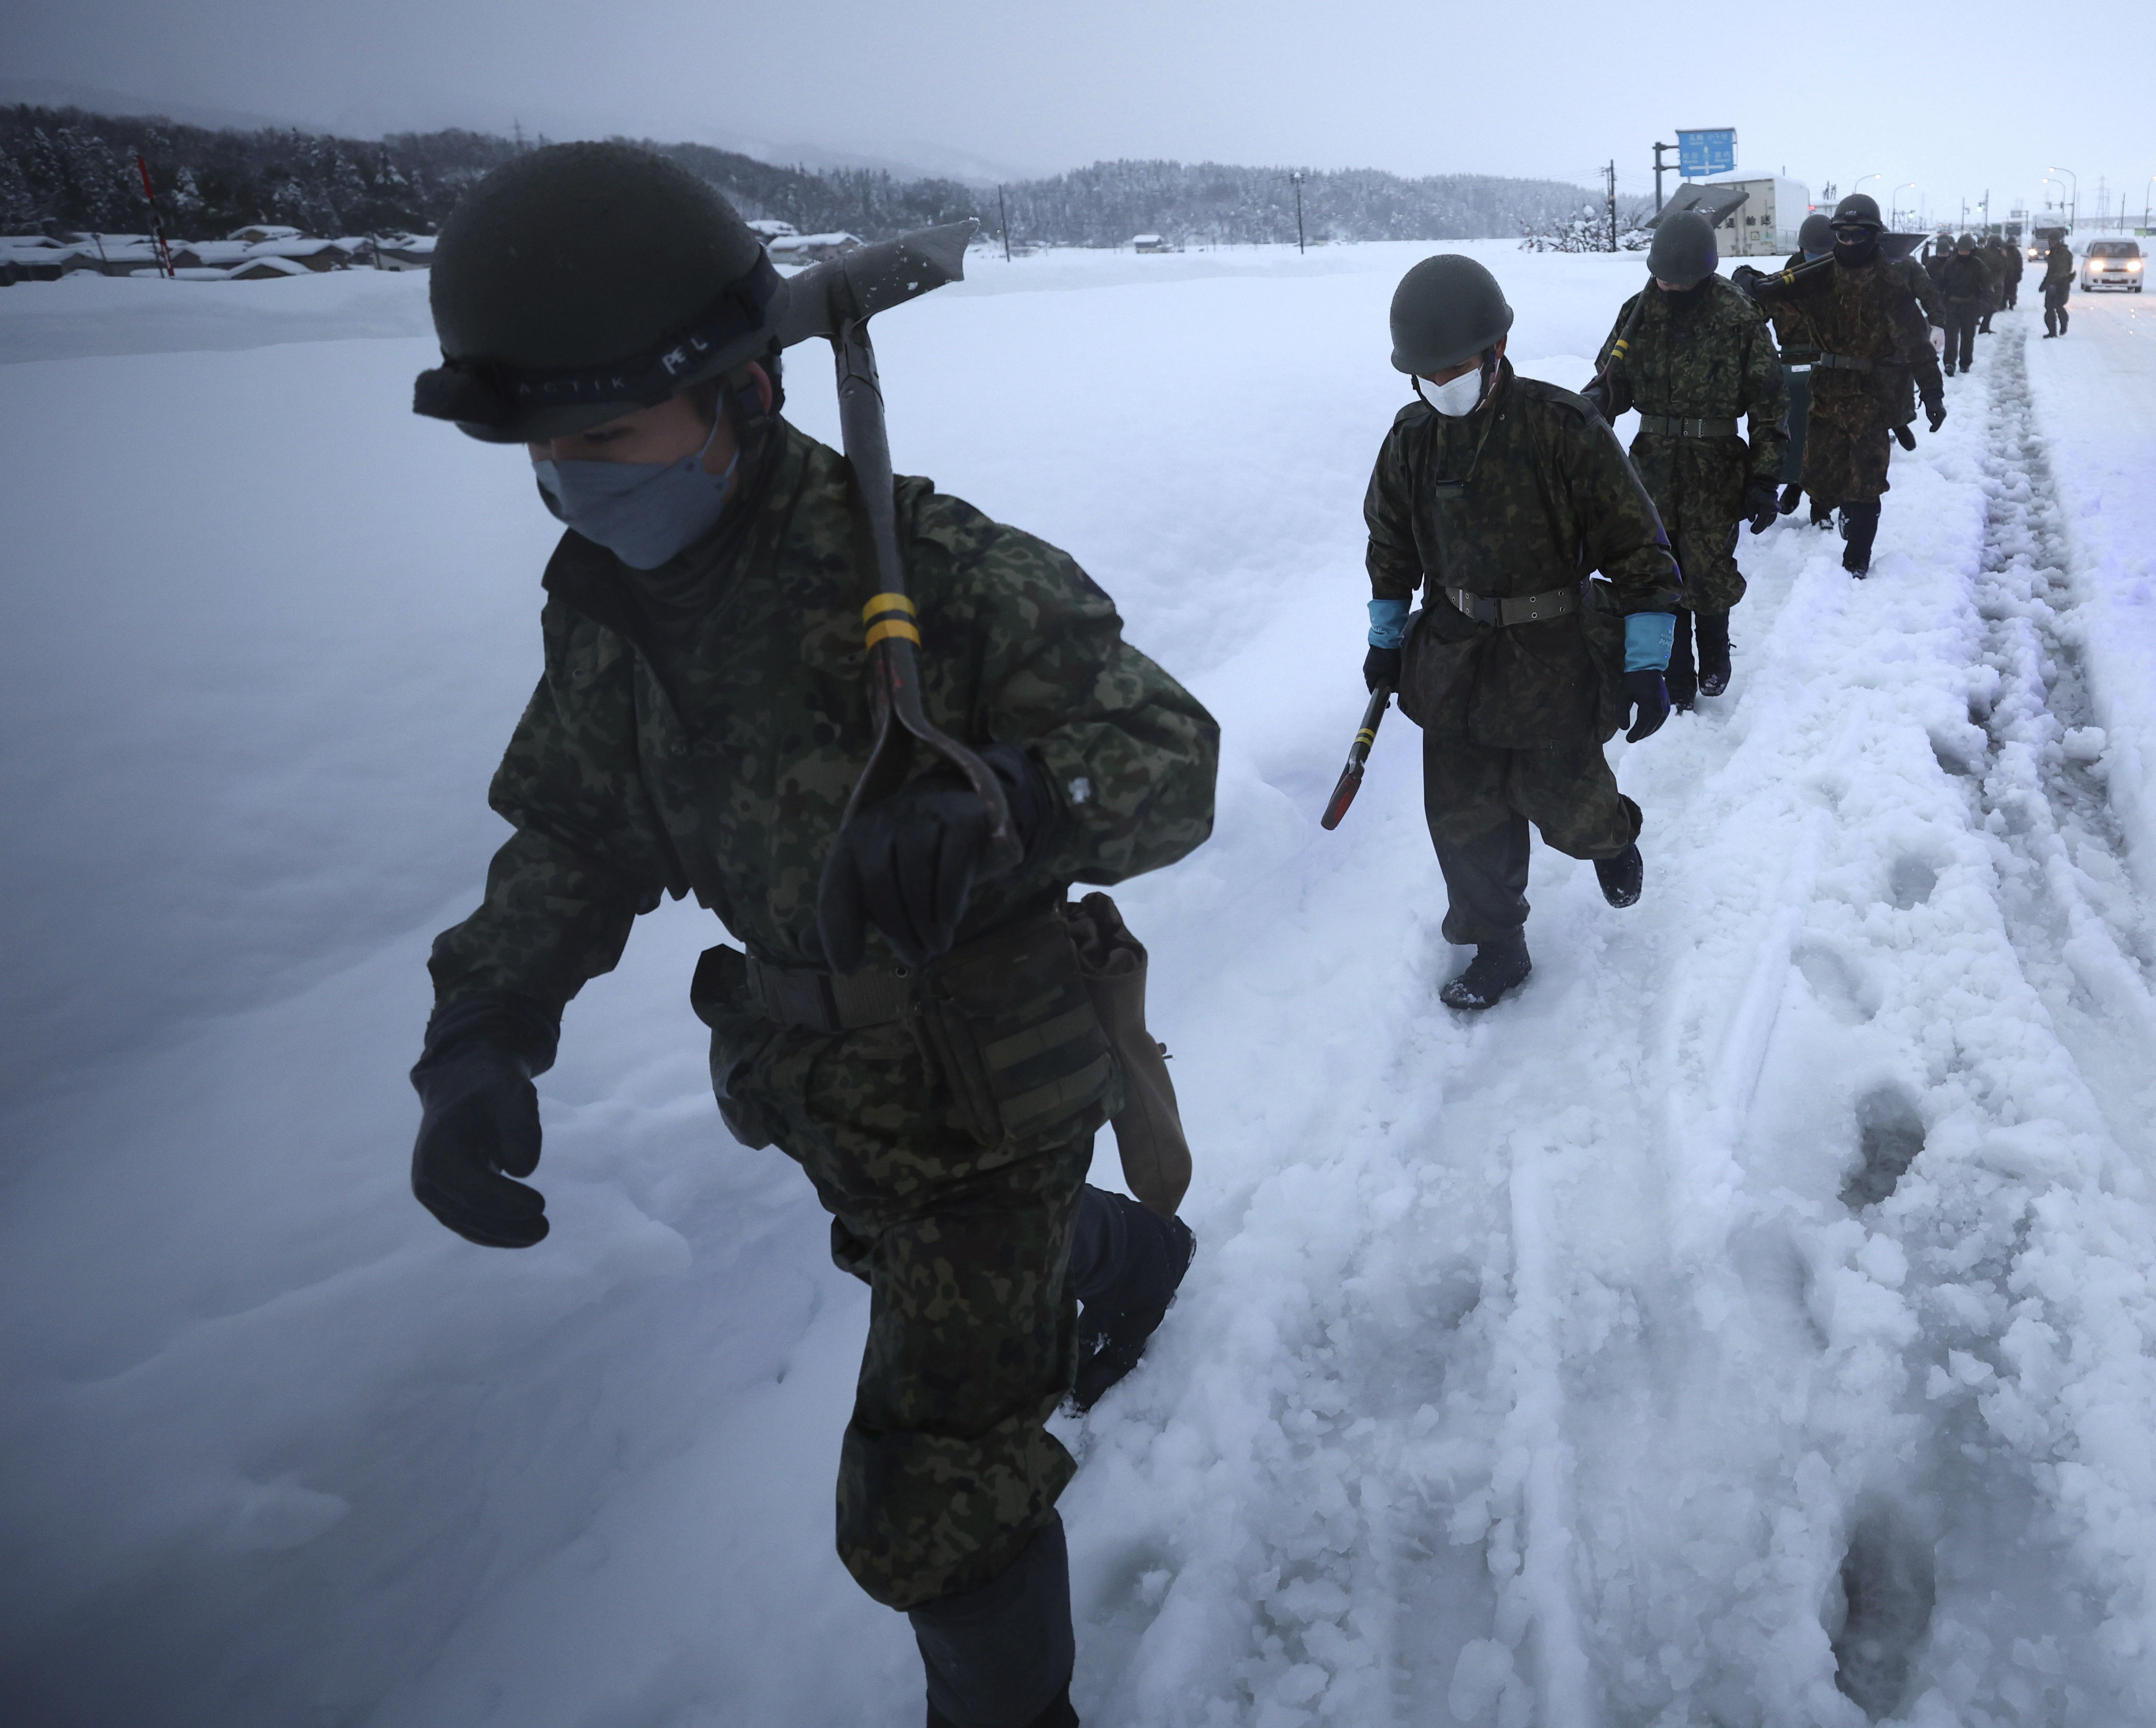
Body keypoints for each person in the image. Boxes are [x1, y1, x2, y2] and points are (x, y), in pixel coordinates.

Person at [402, 144, 1220, 1728]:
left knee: (926, 1497)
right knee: (918, 1263)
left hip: (993, 1088)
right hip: (823, 1091)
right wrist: (480, 1031)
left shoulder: (933, 573)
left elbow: (1171, 760)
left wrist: (1011, 803)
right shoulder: (618, 609)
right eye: (546, 448)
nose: (575, 475)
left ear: (743, 396)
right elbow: (576, 834)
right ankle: (1115, 1261)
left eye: (609, 434)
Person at [1363, 254, 1682, 1011]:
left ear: (1497, 351)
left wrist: (1647, 662)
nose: (1443, 384)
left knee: (1566, 803)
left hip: (1553, 657)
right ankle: (1499, 948)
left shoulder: (1563, 429)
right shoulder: (1411, 440)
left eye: (1457, 368)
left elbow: (1642, 552)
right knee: (1465, 821)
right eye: (1427, 373)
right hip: (1453, 658)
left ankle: (1612, 839)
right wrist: (1384, 641)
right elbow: (1390, 548)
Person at [1587, 211, 1786, 700]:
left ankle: (1715, 653)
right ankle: (1674, 672)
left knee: (1710, 566)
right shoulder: (1638, 311)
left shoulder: (1738, 316)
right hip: (1652, 464)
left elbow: (1769, 403)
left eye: (1680, 280)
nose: (1669, 287)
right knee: (1660, 568)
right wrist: (1596, 408)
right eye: (1662, 277)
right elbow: (1614, 381)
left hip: (1715, 464)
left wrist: (1764, 478)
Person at [1736, 193, 1944, 578]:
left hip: (1871, 395)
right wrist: (1747, 281)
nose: (1849, 242)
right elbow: (1769, 296)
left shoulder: (1890, 287)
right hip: (1826, 392)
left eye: (1858, 234)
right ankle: (1837, 509)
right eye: (1842, 235)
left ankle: (1857, 559)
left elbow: (1917, 345)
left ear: (1873, 235)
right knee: (1820, 473)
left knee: (1867, 480)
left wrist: (1933, 393)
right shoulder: (1817, 279)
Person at [1768, 211, 1835, 522]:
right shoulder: (1784, 282)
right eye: (1811, 253)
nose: (1816, 259)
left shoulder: (1844, 282)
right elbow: (1752, 310)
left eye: (1823, 254)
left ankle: (1822, 504)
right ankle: (1793, 485)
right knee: (1793, 432)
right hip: (1792, 366)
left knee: (1826, 437)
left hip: (1829, 366)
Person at [1933, 233, 1990, 377]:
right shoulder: (1950, 264)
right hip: (1952, 304)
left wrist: (1983, 303)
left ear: (1972, 250)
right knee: (1951, 337)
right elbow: (1940, 283)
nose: (1963, 253)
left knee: (1968, 336)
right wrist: (1938, 301)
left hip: (1970, 305)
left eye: (1966, 250)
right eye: (1961, 250)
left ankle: (1965, 363)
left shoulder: (1978, 265)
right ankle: (1949, 363)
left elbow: (1987, 284)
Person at [2038, 229, 2075, 337]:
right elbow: (2051, 271)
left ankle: (2063, 326)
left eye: (2051, 241)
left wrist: (2051, 283)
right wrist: (2045, 283)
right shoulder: (2055, 252)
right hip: (2054, 284)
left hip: (2060, 284)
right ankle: (2052, 332)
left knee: (2058, 306)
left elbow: (2060, 271)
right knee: (2050, 308)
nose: (2050, 243)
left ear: (2056, 241)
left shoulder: (2062, 254)